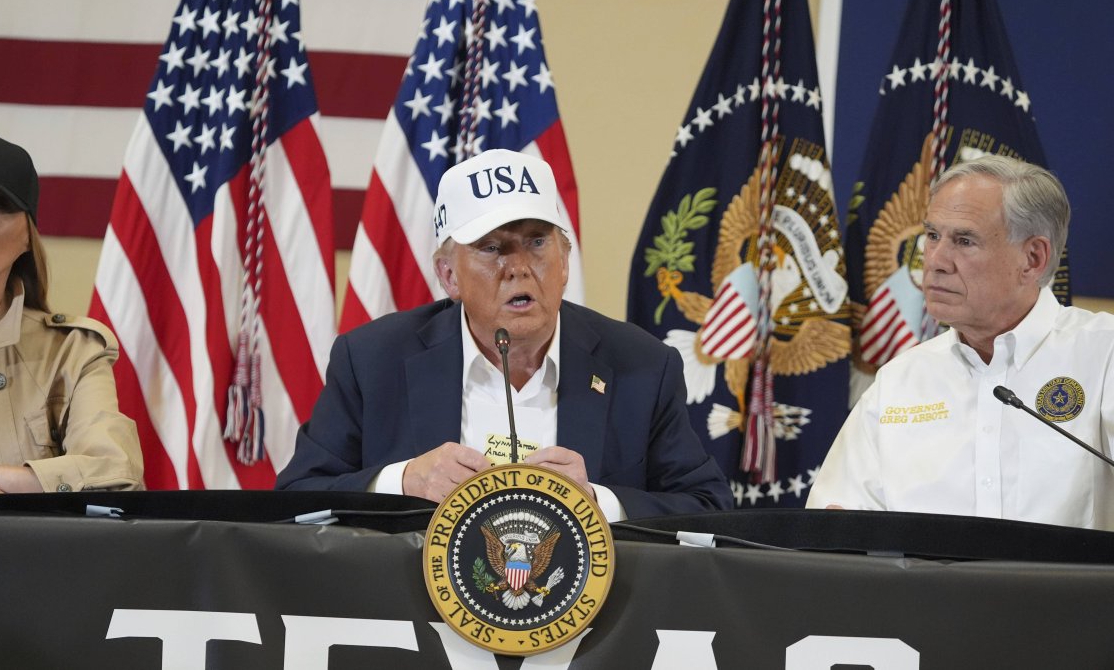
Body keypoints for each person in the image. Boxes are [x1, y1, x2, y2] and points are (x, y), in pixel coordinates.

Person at [277, 149, 732, 519]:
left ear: (565, 261)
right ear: (448, 275)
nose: (518, 268)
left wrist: (597, 501)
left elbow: (707, 507)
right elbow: (296, 498)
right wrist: (403, 481)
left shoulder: (641, 366)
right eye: (492, 248)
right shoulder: (373, 360)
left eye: (537, 242)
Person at [808, 155, 1113, 530]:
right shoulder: (899, 382)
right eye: (933, 236)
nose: (934, 260)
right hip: (923, 591)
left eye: (964, 240)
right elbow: (834, 530)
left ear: (1033, 259)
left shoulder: (1104, 355)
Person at [0, 133, 143, 493]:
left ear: (27, 237)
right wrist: (11, 490)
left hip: (19, 553)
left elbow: (116, 475)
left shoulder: (74, 353)